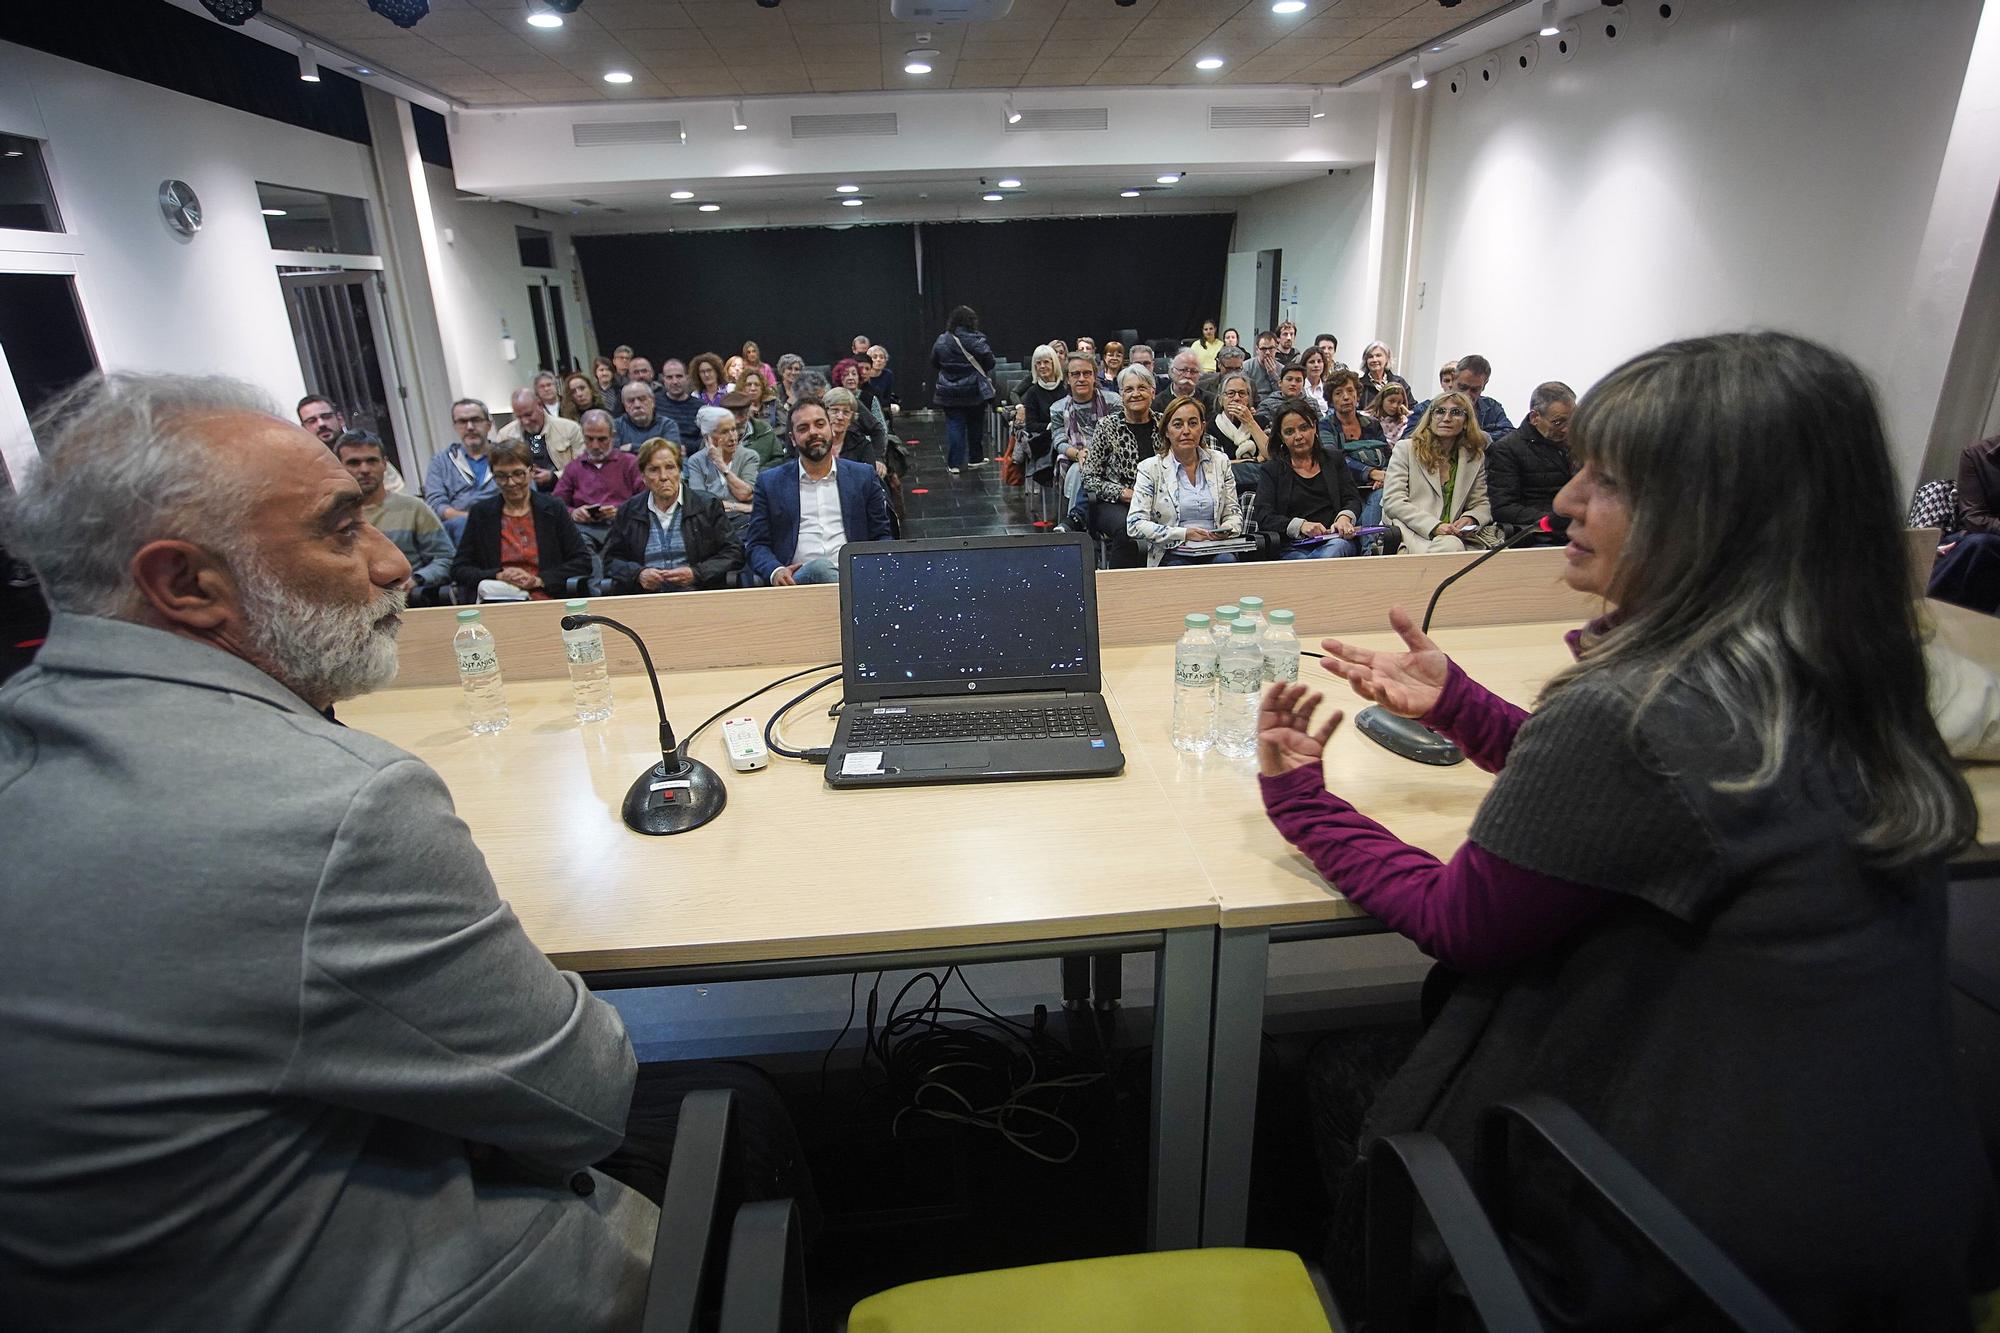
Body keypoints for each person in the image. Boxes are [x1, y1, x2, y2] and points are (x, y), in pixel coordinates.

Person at [1261, 331, 1997, 1327]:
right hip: (1878, 1224)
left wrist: (1301, 799)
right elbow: (1674, 797)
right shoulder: (1840, 668)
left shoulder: (1635, 707)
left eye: (1603, 480)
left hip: (1683, 1256)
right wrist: (1466, 711)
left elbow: (1461, 920)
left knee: (1337, 1072)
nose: (1562, 500)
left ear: (1713, 516)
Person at [0, 372, 716, 1330]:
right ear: (183, 582)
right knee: (732, 1108)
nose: (391, 563)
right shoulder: (334, 805)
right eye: (341, 530)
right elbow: (589, 1101)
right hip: (375, 1292)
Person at [745, 396, 893, 587]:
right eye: (803, 428)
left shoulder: (863, 476)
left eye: (819, 424)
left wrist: (873, 569)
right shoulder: (770, 482)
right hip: (797, 584)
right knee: (819, 569)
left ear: (831, 429)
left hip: (856, 576)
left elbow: (882, 536)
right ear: (792, 438)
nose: (813, 432)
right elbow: (756, 544)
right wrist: (775, 570)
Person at [452, 440, 591, 602]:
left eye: (518, 474)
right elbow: (459, 569)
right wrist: (498, 575)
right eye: (501, 476)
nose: (511, 483)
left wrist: (539, 580)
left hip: (546, 597)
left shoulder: (553, 508)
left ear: (531, 471)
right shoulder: (481, 513)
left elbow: (582, 561)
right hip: (497, 599)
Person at [602, 437, 744, 594]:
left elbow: (733, 552)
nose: (663, 476)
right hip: (645, 600)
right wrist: (637, 574)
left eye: (670, 467)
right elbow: (610, 560)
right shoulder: (629, 511)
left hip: (696, 595)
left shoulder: (707, 505)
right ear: (643, 477)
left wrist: (696, 573)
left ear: (680, 471)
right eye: (654, 469)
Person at [1128, 394, 1243, 567]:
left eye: (1193, 423)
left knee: (1226, 562)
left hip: (1215, 547)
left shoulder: (1220, 462)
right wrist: (1184, 534)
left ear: (1202, 428)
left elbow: (1233, 513)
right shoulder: (1150, 468)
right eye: (1178, 424)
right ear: (1166, 431)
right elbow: (1135, 524)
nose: (1186, 431)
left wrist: (1225, 530)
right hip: (1172, 550)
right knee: (1180, 568)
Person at [337, 432, 454, 601]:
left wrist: (415, 580)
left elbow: (446, 558)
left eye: (372, 461)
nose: (364, 469)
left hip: (406, 601)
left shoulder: (414, 508)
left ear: (384, 464)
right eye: (354, 463)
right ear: (340, 467)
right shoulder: (331, 518)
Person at [1383, 390, 1498, 553]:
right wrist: (1434, 526)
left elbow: (1481, 503)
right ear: (1430, 418)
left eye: (1456, 412)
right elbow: (1393, 501)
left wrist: (1471, 518)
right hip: (1412, 530)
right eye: (1440, 411)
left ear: (1466, 421)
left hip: (1454, 534)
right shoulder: (1406, 449)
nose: (1446, 418)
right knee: (1451, 547)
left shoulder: (1473, 457)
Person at [1250, 399, 1360, 560]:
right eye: (1289, 432)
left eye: (1304, 428)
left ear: (1314, 427)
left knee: (1334, 550)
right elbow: (1264, 515)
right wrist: (1301, 526)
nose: (1298, 436)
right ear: (1281, 437)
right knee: (1304, 563)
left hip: (1334, 540)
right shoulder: (1272, 469)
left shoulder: (1334, 460)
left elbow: (1352, 498)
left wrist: (1344, 518)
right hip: (1292, 546)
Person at [1079, 365, 1158, 570]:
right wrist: (1123, 493)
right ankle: (1118, 589)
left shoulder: (1164, 424)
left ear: (1153, 392)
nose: (1135, 394)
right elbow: (1090, 477)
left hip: (1160, 500)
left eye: (1142, 387)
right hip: (1116, 502)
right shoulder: (1107, 426)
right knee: (1129, 528)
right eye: (1128, 389)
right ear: (1120, 395)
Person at [1486, 381, 1578, 543]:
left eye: (1572, 420)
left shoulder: (1579, 444)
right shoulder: (1507, 449)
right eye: (1558, 422)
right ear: (1535, 417)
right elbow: (1503, 508)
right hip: (1539, 532)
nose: (1566, 429)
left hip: (1578, 526)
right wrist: (1554, 519)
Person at [555, 409, 646, 551]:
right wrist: (573, 512)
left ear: (612, 436)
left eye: (602, 439)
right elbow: (556, 505)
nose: (595, 446)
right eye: (589, 439)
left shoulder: (630, 463)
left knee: (619, 544)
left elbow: (646, 499)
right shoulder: (574, 467)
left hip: (622, 525)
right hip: (584, 529)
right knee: (581, 546)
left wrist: (621, 512)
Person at [1930, 433, 2000, 613]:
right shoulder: (1977, 455)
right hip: (1982, 538)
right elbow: (1974, 519)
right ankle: (1923, 613)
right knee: (1978, 545)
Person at [1323, 369, 1390, 541]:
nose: (1346, 397)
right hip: (1343, 491)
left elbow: (1388, 455)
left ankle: (1369, 548)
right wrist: (1371, 472)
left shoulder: (1372, 424)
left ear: (1357, 395)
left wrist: (1383, 476)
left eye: (1350, 391)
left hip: (1376, 487)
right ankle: (1369, 549)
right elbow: (1332, 458)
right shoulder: (1325, 425)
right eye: (1338, 393)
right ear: (1331, 399)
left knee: (1380, 496)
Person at [1049, 352, 1118, 518]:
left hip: (1112, 457)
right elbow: (1059, 441)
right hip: (1076, 457)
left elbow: (1119, 435)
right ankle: (1080, 527)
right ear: (1067, 379)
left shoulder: (1113, 401)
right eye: (1075, 374)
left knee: (1084, 470)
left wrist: (1095, 455)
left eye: (1087, 373)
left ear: (1094, 376)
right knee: (1077, 471)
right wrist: (1078, 454)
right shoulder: (1057, 408)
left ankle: (1077, 521)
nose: (1081, 378)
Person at [422, 397, 499, 542]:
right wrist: (470, 518)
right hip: (458, 528)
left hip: (500, 522)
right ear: (455, 427)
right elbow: (435, 504)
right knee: (461, 525)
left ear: (488, 425)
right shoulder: (440, 462)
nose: (470, 427)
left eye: (475, 420)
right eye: (462, 422)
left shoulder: (505, 456)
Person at [931, 305, 996, 475]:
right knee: (975, 425)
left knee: (955, 425)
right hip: (974, 389)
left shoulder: (942, 340)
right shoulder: (977, 340)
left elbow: (934, 361)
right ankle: (975, 458)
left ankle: (955, 464)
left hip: (948, 390)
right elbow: (990, 362)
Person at [296, 395, 407, 494]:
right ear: (303, 428)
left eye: (326, 416)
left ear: (340, 419)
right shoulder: (303, 466)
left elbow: (399, 494)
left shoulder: (366, 450)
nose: (321, 424)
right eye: (312, 421)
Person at [683, 402, 761, 530]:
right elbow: (701, 503)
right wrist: (742, 507)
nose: (733, 437)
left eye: (733, 429)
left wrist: (722, 467)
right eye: (724, 432)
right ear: (708, 437)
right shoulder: (696, 461)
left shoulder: (749, 456)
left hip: (745, 525)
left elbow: (745, 494)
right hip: (711, 525)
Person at [496, 386, 585, 491]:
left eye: (528, 415)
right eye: (519, 417)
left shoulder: (570, 428)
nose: (525, 421)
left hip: (565, 489)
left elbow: (582, 466)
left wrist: (554, 476)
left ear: (540, 405)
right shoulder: (505, 435)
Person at [1209, 370, 1271, 496]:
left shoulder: (1262, 422)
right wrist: (1256, 460)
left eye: (1242, 394)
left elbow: (1272, 456)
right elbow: (1216, 466)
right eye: (1231, 394)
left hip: (1263, 489)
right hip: (1226, 490)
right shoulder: (1211, 427)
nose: (1237, 398)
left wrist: (1250, 423)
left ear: (1249, 399)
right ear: (1221, 400)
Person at [1013, 345, 1066, 473]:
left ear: (1054, 363)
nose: (1042, 366)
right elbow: (1031, 425)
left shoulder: (1066, 387)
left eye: (1046, 362)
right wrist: (1050, 426)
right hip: (1045, 437)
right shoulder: (1032, 392)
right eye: (1038, 363)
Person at [613, 381, 679, 453]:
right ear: (624, 406)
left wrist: (632, 447)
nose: (637, 405)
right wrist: (656, 449)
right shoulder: (616, 426)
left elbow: (672, 452)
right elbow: (614, 455)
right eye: (630, 401)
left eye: (642, 399)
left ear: (653, 401)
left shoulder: (667, 425)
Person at [724, 385, 783, 465]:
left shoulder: (764, 430)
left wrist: (756, 473)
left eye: (741, 415)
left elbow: (778, 459)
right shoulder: (713, 434)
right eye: (732, 416)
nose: (737, 421)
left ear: (749, 413)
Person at [653, 359, 704, 442]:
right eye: (669, 377)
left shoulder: (700, 407)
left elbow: (704, 440)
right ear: (663, 380)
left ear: (687, 378)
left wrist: (686, 448)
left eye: (679, 376)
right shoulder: (654, 402)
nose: (675, 381)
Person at [1249, 330, 1285, 400]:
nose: (1268, 352)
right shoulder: (1247, 367)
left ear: (1276, 349)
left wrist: (1273, 375)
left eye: (1271, 348)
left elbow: (1283, 394)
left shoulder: (1283, 369)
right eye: (1263, 349)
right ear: (1257, 350)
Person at [868, 344, 899, 418]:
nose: (878, 360)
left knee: (895, 408)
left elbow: (887, 397)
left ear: (885, 361)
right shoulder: (864, 375)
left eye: (882, 357)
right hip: (866, 406)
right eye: (875, 357)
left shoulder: (888, 374)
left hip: (881, 404)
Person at [1299, 347, 1331, 416]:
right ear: (1304, 365)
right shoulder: (1299, 387)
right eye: (1312, 362)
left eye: (1319, 361)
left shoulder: (1328, 387)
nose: (1316, 365)